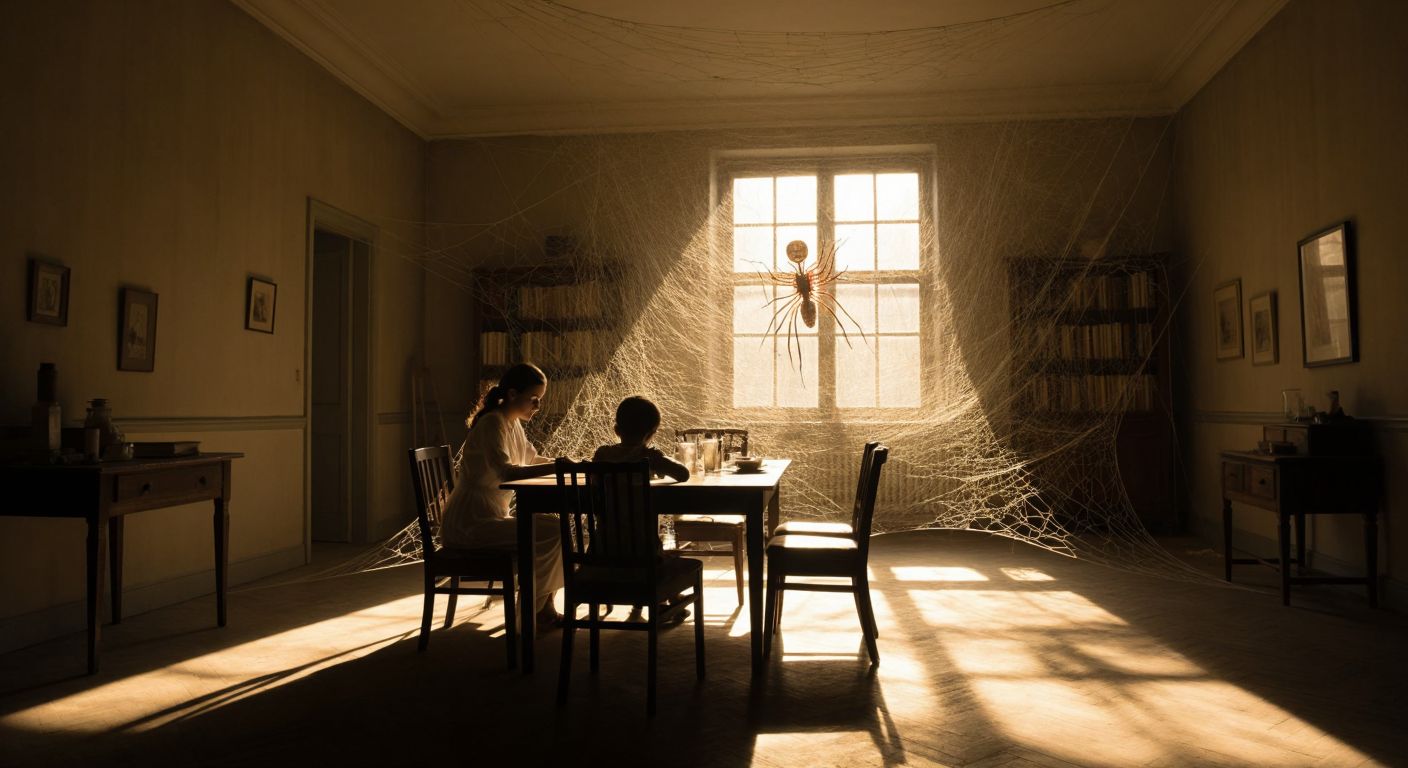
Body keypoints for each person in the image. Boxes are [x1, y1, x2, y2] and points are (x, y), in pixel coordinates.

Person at [441, 363, 564, 628]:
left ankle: (542, 607)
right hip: (470, 523)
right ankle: (533, 612)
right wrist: (558, 467)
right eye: (534, 399)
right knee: (552, 532)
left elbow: (531, 459)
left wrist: (565, 462)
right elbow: (508, 473)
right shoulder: (492, 424)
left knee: (557, 528)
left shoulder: (513, 423)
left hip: (490, 517)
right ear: (512, 394)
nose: (538, 406)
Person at [592, 396, 691, 622]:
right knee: (658, 554)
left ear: (616, 429)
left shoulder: (602, 455)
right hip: (643, 555)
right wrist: (658, 461)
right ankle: (665, 601)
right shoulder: (649, 456)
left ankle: (664, 603)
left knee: (646, 552)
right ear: (651, 433)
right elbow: (683, 474)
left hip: (602, 550)